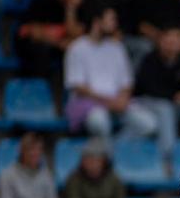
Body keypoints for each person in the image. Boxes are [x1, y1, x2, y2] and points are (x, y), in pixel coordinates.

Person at [64, 7, 158, 143]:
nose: (115, 24)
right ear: (97, 22)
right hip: (89, 103)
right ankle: (107, 155)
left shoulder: (117, 48)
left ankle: (113, 147)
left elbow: (127, 83)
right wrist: (109, 101)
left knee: (148, 124)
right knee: (100, 121)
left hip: (118, 103)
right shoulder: (77, 47)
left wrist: (122, 99)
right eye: (111, 20)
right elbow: (78, 87)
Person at [134, 26, 180, 152]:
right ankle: (167, 156)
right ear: (160, 41)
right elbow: (149, 88)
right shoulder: (149, 60)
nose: (171, 44)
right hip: (147, 102)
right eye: (167, 40)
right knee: (165, 109)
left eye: (174, 40)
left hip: (175, 102)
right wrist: (175, 96)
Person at [16, 0, 85, 86]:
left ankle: (72, 92)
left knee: (77, 51)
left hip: (58, 45)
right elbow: (32, 32)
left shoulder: (76, 4)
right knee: (41, 52)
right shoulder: (42, 0)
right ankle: (38, 91)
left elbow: (76, 33)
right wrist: (59, 43)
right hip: (34, 44)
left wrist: (70, 9)